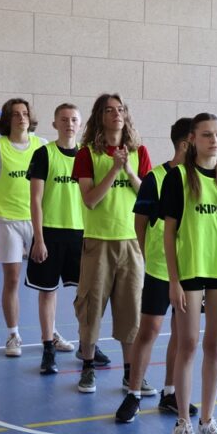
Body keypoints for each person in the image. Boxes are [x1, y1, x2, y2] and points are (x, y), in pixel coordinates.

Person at [160, 112, 217, 434]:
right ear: (192, 140)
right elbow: (169, 233)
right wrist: (173, 280)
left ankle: (207, 420)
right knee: (188, 345)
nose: (214, 140)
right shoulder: (179, 177)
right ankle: (183, 423)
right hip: (191, 272)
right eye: (207, 134)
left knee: (215, 347)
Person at [0, 98, 71, 357]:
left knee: (47, 283)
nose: (22, 118)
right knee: (11, 279)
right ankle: (13, 335)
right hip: (8, 223)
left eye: (25, 113)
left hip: (40, 222)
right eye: (16, 114)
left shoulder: (42, 146)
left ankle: (50, 333)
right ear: (7, 119)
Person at [115, 118, 200, 422]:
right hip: (161, 269)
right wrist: (149, 255)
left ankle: (170, 393)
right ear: (185, 144)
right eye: (201, 138)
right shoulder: (156, 178)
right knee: (149, 329)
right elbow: (140, 222)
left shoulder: (201, 179)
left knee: (182, 333)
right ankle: (134, 394)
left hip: (192, 271)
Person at [71, 93, 151, 393]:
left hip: (131, 243)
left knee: (131, 311)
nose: (116, 114)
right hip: (98, 242)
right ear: (100, 117)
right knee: (91, 309)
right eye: (109, 110)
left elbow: (147, 196)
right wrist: (115, 169)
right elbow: (90, 200)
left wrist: (128, 169)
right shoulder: (87, 154)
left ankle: (131, 374)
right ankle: (88, 368)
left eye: (120, 109)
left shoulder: (139, 152)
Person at [24, 104, 87, 375]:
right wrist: (38, 239)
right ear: (54, 124)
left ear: (80, 124)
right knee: (47, 291)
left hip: (81, 233)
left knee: (86, 294)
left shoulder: (87, 156)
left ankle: (88, 344)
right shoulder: (44, 154)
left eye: (73, 119)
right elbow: (35, 200)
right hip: (50, 232)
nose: (69, 124)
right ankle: (48, 346)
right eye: (64, 119)